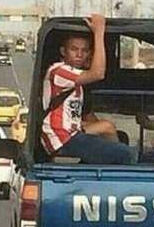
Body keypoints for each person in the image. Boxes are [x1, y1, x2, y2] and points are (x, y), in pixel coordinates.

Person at [40, 14, 135, 164]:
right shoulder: (59, 71)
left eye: (84, 51)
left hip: (72, 133)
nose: (79, 54)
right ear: (63, 52)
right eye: (74, 49)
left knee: (109, 130)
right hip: (61, 138)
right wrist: (99, 32)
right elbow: (98, 73)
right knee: (126, 154)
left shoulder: (75, 79)